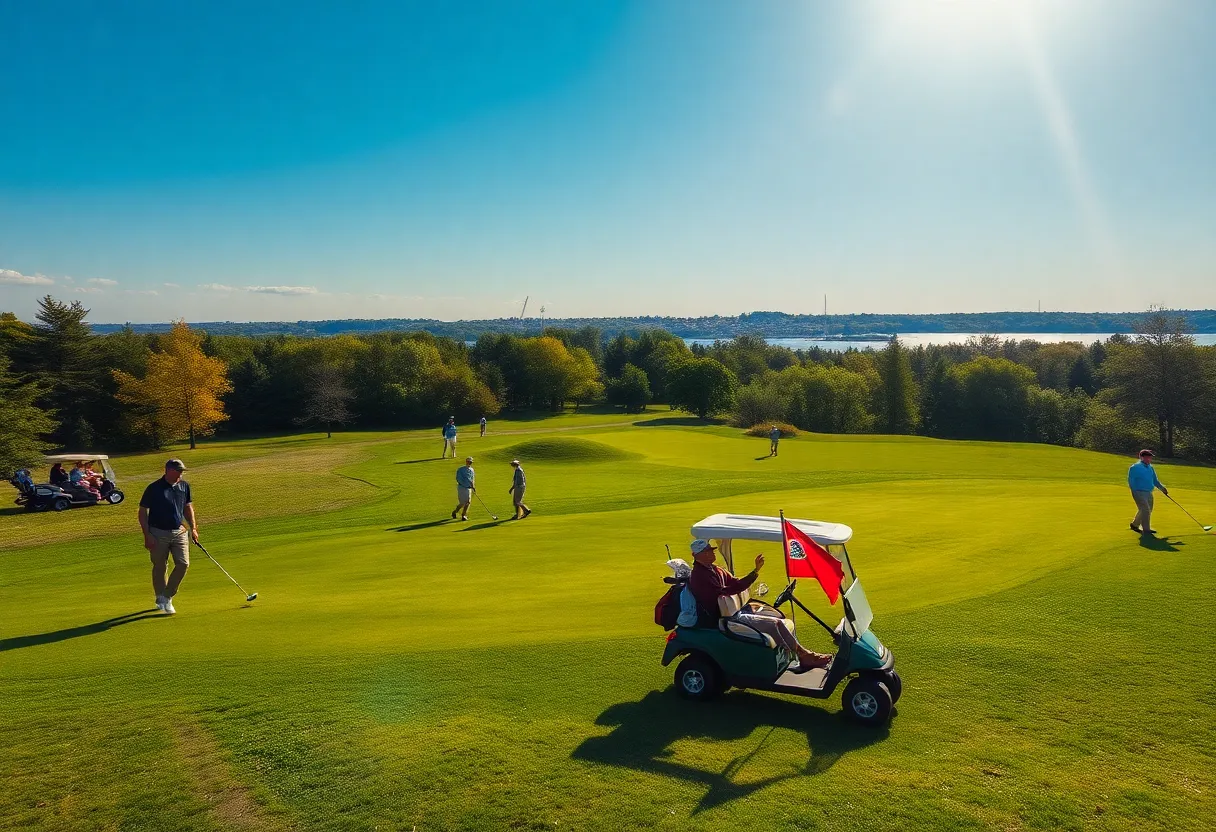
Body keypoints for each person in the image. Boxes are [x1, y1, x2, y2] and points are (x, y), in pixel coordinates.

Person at [687, 538, 832, 670]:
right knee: (776, 624)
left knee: (780, 620)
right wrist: (754, 573)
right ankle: (804, 655)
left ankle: (799, 654)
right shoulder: (700, 575)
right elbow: (729, 590)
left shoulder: (715, 569)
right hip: (725, 619)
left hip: (735, 612)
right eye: (708, 551)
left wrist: (754, 572)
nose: (712, 553)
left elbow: (734, 583)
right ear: (700, 555)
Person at [138, 459, 199, 614]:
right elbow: (142, 511)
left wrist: (193, 528)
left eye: (182, 471)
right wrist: (147, 535)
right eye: (178, 471)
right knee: (160, 566)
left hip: (179, 531)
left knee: (183, 564)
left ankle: (167, 596)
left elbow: (187, 507)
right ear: (168, 470)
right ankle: (160, 596)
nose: (180, 474)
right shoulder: (154, 488)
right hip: (158, 532)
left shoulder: (184, 486)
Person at [1129, 449, 1168, 535]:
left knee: (1147, 509)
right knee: (1145, 510)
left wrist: (1162, 488)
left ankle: (1135, 524)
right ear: (1141, 457)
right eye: (1147, 457)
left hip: (1148, 492)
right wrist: (1134, 491)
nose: (1149, 459)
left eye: (1150, 458)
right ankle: (1146, 530)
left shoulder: (1151, 468)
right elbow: (1131, 481)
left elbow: (1155, 481)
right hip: (1138, 491)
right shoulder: (1135, 467)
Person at [452, 456, 476, 521]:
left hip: (469, 488)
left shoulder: (472, 470)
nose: (470, 463)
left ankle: (464, 515)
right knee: (462, 503)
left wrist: (473, 486)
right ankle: (455, 512)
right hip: (461, 488)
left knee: (468, 502)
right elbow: (459, 479)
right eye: (469, 462)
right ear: (466, 461)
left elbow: (472, 479)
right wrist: (466, 485)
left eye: (471, 462)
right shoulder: (460, 469)